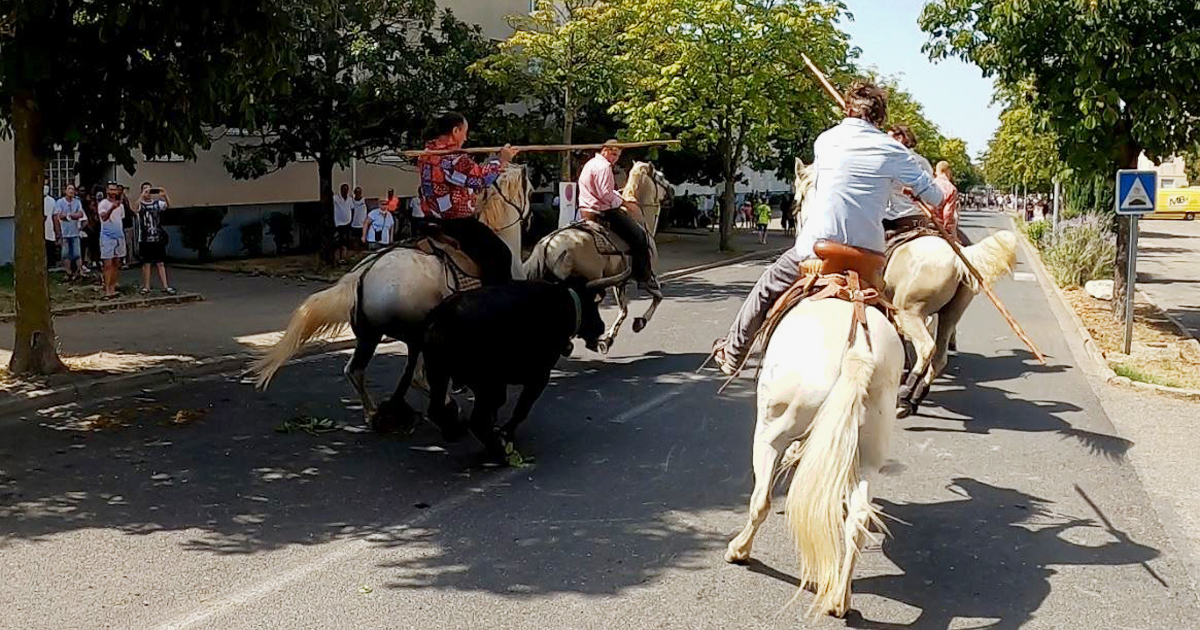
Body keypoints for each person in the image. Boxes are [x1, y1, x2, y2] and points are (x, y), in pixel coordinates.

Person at [711, 81, 945, 375]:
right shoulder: (895, 151)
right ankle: (904, 362)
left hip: (817, 249)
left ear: (847, 109)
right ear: (881, 118)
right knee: (894, 307)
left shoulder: (825, 141)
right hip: (868, 255)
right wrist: (910, 189)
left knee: (767, 286)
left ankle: (733, 353)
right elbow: (936, 196)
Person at [417, 111, 518, 285]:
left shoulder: (427, 154)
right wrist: (502, 160)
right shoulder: (452, 159)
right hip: (456, 222)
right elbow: (479, 178)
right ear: (456, 131)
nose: (466, 137)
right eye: (465, 131)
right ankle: (493, 300)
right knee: (501, 255)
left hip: (431, 217)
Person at [577, 140, 652, 282]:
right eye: (613, 154)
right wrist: (624, 202)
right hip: (602, 213)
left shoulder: (589, 164)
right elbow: (605, 195)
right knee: (639, 235)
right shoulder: (604, 167)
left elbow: (604, 191)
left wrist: (616, 194)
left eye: (617, 156)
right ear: (604, 150)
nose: (614, 158)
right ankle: (643, 276)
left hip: (584, 211)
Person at [882, 124, 935, 239]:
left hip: (895, 219)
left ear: (899, 138)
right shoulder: (923, 162)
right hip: (920, 218)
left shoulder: (888, 162)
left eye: (888, 138)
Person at [134, 182, 176, 295]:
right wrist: (142, 196)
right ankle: (146, 286)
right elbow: (134, 208)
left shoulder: (158, 203)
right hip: (144, 238)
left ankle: (165, 286)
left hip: (157, 237)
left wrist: (164, 195)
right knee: (146, 263)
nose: (148, 193)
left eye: (149, 190)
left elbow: (169, 206)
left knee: (160, 262)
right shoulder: (141, 204)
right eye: (145, 190)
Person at [98, 182, 127, 298]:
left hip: (119, 235)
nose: (113, 192)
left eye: (115, 190)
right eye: (110, 190)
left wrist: (117, 205)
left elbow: (121, 219)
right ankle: (107, 289)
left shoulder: (121, 206)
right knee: (108, 264)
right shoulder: (103, 204)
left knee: (116, 262)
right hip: (107, 236)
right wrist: (112, 208)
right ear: (107, 191)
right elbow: (104, 217)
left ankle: (113, 287)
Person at [55, 184, 86, 280]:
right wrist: (73, 215)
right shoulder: (60, 202)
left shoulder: (77, 202)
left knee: (77, 253)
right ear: (65, 191)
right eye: (69, 189)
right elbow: (60, 215)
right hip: (64, 233)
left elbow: (80, 214)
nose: (71, 191)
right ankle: (68, 272)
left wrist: (69, 215)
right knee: (65, 254)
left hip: (75, 232)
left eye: (73, 189)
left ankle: (79, 271)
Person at [932, 161, 963, 244]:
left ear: (936, 172)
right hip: (939, 226)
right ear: (948, 171)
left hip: (925, 223)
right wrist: (951, 234)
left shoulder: (930, 184)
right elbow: (947, 214)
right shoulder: (951, 188)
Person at [333, 183, 354, 262]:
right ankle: (337, 257)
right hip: (338, 223)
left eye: (346, 189)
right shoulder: (336, 198)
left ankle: (343, 257)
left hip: (347, 223)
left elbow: (352, 208)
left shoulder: (350, 199)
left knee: (345, 241)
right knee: (338, 242)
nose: (345, 191)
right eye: (343, 189)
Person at [44, 185, 59, 270]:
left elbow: (55, 216)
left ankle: (51, 263)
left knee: (50, 245)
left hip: (49, 225)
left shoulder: (51, 201)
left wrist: (57, 231)